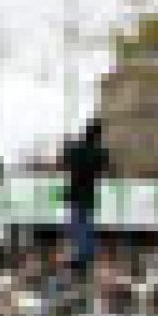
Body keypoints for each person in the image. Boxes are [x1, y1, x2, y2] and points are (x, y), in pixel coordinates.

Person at [60, 120, 110, 281]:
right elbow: (106, 167)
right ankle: (85, 255)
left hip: (74, 193)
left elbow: (65, 161)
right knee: (86, 225)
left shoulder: (76, 149)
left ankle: (80, 255)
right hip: (88, 194)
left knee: (77, 225)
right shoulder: (99, 153)